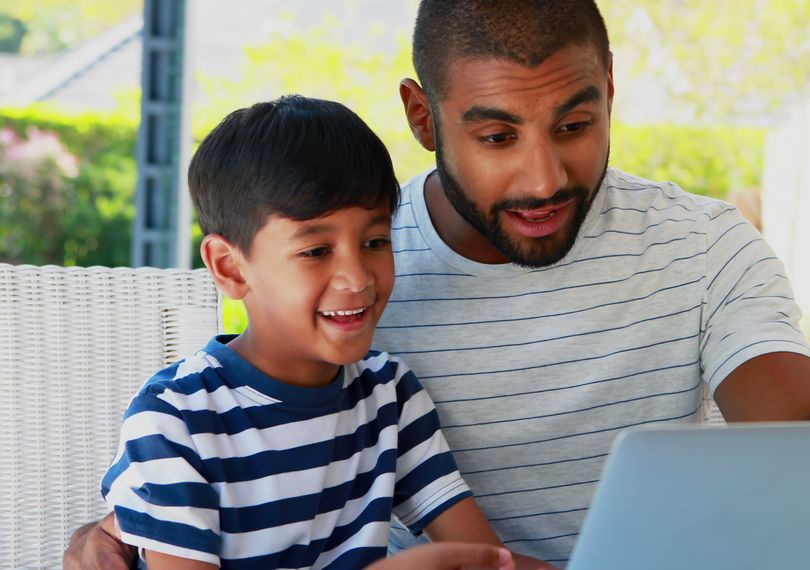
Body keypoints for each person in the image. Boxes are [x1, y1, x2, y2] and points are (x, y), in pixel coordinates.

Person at [67, 1, 810, 568]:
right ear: (422, 116)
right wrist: (120, 524)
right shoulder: (350, 282)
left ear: (610, 88)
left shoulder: (702, 247)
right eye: (496, 135)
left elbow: (809, 439)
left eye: (574, 126)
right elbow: (231, 435)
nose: (543, 177)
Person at [94, 95, 549, 570]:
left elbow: (492, 562)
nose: (358, 278)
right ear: (230, 268)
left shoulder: (388, 397)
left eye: (375, 242)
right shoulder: (175, 421)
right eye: (315, 251)